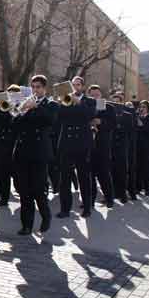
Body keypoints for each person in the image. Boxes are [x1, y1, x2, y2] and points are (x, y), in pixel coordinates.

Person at [13, 75, 57, 235]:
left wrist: (35, 107)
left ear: (44, 88)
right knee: (24, 191)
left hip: (40, 153)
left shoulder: (51, 104)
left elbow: (50, 120)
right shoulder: (26, 104)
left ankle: (46, 216)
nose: (35, 90)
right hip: (23, 152)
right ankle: (26, 225)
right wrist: (21, 111)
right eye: (33, 87)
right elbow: (14, 125)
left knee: (38, 189)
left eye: (38, 87)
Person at [56, 76, 95, 218]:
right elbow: (59, 117)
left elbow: (90, 115)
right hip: (67, 142)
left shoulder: (89, 101)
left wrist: (78, 102)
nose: (75, 87)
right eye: (73, 85)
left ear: (82, 86)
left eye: (78, 85)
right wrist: (61, 102)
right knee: (64, 178)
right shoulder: (66, 100)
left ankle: (87, 207)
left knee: (84, 177)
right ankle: (65, 209)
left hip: (82, 143)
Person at [88, 85, 115, 208]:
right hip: (88, 146)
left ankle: (109, 198)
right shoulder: (86, 106)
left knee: (104, 174)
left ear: (101, 95)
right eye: (92, 95)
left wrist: (101, 122)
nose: (94, 97)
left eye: (96, 95)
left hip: (103, 145)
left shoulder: (108, 107)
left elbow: (113, 124)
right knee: (90, 176)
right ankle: (90, 200)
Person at [0, 85, 21, 205]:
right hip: (2, 144)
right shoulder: (2, 106)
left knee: (17, 174)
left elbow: (18, 124)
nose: (12, 97)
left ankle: (21, 192)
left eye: (14, 95)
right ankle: (3, 198)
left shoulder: (22, 107)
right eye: (10, 95)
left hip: (16, 144)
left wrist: (14, 110)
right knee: (3, 173)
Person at [110, 93, 133, 203]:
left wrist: (119, 128)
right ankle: (113, 193)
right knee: (112, 169)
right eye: (113, 102)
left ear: (121, 102)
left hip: (123, 145)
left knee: (123, 170)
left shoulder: (128, 115)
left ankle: (123, 193)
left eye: (117, 102)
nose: (115, 104)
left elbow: (130, 130)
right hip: (111, 145)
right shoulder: (109, 114)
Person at [136, 101, 149, 195]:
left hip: (147, 147)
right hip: (137, 145)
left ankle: (147, 188)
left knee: (146, 168)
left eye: (144, 107)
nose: (142, 108)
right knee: (137, 167)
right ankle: (138, 187)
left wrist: (142, 126)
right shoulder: (137, 118)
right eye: (140, 107)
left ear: (147, 108)